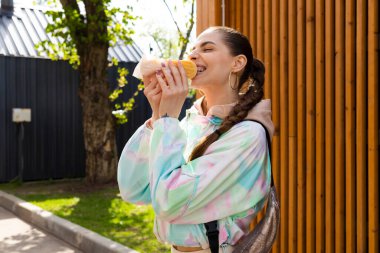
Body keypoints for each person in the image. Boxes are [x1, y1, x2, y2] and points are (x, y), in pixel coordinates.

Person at [117, 26, 274, 253]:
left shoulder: (248, 135)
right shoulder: (193, 122)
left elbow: (169, 202)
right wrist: (157, 117)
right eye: (191, 50)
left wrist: (168, 118)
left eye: (207, 48)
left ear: (237, 63)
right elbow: (134, 189)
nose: (191, 55)